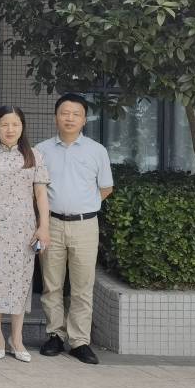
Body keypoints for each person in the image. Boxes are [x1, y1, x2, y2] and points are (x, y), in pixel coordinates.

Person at [34, 93, 114, 365]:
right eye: (64, 113)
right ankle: (55, 335)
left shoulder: (97, 150)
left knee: (82, 286)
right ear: (56, 116)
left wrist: (84, 205)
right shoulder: (41, 150)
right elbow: (36, 190)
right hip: (51, 224)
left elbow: (106, 188)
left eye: (76, 114)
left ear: (84, 119)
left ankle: (80, 341)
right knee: (51, 284)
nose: (69, 118)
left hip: (85, 225)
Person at [0, 106, 50, 363]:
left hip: (23, 228)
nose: (10, 129)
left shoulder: (34, 156)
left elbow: (41, 194)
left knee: (20, 282)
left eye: (15, 124)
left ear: (22, 127)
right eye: (4, 124)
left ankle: (17, 338)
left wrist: (44, 226)